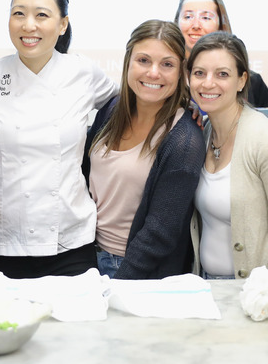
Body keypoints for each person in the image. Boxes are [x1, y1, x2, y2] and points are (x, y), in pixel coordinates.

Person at [0, 0, 119, 279]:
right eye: (18, 13)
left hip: (71, 243)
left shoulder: (83, 73)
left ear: (62, 24)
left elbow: (131, 106)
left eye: (41, 15)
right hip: (1, 244)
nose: (28, 25)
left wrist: (184, 107)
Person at [84, 20, 204, 279]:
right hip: (85, 258)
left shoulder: (184, 140)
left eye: (167, 64)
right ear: (128, 62)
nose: (153, 73)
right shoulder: (111, 109)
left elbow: (161, 232)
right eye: (143, 60)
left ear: (181, 72)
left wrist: (120, 282)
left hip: (132, 269)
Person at [188, 31, 268, 279]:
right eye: (199, 73)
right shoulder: (204, 133)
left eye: (222, 74)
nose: (208, 83)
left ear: (241, 81)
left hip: (251, 289)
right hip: (206, 283)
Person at [174, 0, 268, 132]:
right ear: (177, 22)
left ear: (221, 24)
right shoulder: (166, 80)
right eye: (188, 17)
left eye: (206, 17)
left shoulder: (251, 81)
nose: (195, 25)